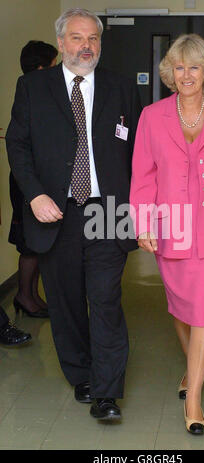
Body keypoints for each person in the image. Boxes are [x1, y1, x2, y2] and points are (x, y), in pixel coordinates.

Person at [6, 8, 141, 421]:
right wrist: (34, 195)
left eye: (94, 39)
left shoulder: (121, 87)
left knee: (105, 299)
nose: (87, 46)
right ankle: (81, 375)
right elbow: (18, 145)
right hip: (55, 212)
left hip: (109, 210)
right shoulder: (33, 87)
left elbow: (141, 151)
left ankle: (106, 392)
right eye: (78, 38)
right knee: (65, 302)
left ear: (101, 44)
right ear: (62, 43)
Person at [130, 34, 204, 435]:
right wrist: (143, 220)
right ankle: (192, 369)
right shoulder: (152, 115)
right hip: (171, 225)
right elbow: (143, 174)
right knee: (180, 306)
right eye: (179, 67)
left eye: (194, 67)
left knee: (202, 309)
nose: (187, 75)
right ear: (170, 72)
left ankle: (194, 398)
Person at [9, 40, 58, 319]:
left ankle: (31, 295)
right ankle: (24, 296)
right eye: (53, 64)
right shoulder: (30, 90)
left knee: (38, 244)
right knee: (29, 243)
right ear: (41, 67)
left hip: (41, 179)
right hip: (27, 180)